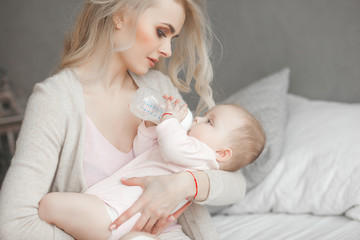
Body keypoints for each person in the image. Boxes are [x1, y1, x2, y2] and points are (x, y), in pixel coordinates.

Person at [0, 0, 247, 239]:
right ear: (120, 15)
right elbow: (13, 223)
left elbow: (236, 183)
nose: (168, 51)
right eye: (161, 32)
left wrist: (183, 184)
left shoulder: (159, 90)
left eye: (172, 39)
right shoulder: (55, 101)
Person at [38, 100, 266, 240]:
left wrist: (168, 119)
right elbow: (143, 150)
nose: (198, 117)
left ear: (222, 154)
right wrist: (149, 127)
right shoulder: (183, 146)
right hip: (127, 220)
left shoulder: (202, 156)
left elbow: (173, 147)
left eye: (209, 122)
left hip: (113, 214)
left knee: (49, 203)